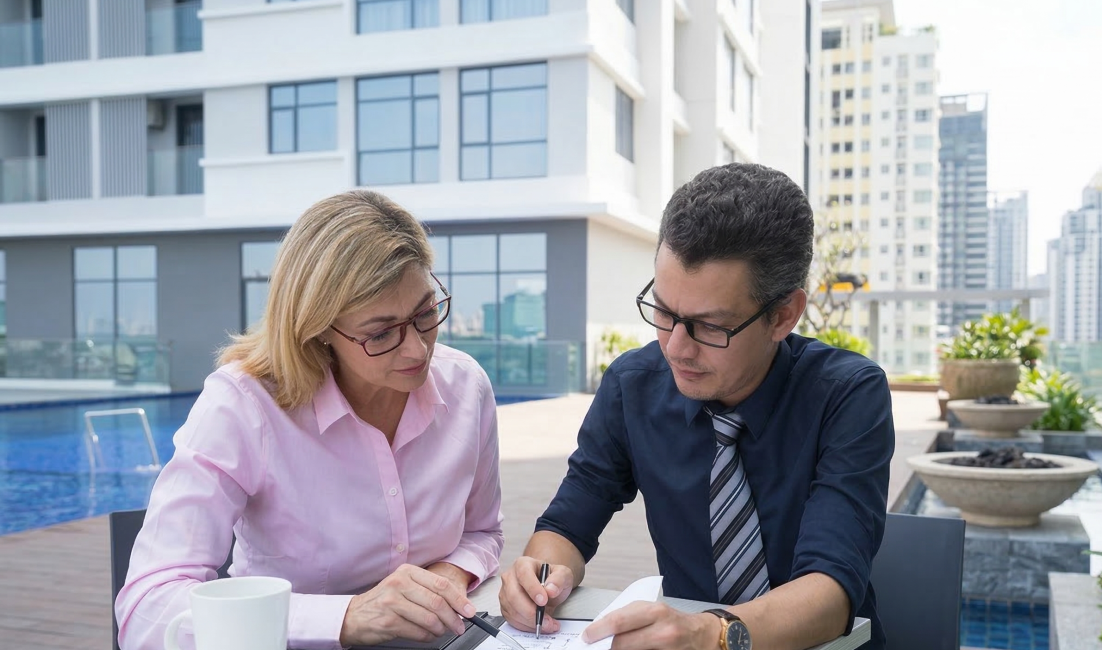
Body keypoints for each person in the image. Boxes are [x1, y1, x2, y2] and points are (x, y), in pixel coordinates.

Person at [498, 164, 894, 650]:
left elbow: (830, 593)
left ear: (783, 315)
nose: (676, 348)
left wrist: (714, 633)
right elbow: (567, 525)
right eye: (664, 312)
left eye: (710, 326)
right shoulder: (632, 386)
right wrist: (540, 577)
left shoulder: (847, 394)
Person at [115, 190, 504, 650]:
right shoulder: (244, 404)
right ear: (317, 328)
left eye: (425, 314)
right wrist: (347, 617)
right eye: (379, 333)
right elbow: (147, 608)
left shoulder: (466, 386)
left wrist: (446, 576)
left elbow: (483, 532)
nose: (418, 349)